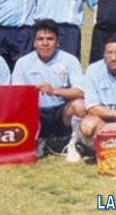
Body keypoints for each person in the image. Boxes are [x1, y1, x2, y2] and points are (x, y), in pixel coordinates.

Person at [12, 19, 85, 162]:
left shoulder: (70, 60)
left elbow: (80, 91)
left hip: (61, 112)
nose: (45, 43)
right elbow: (16, 95)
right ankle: (36, 141)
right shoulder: (23, 63)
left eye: (50, 39)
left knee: (80, 105)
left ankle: (72, 144)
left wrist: (54, 91)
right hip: (36, 112)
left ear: (58, 42)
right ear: (34, 42)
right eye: (40, 39)